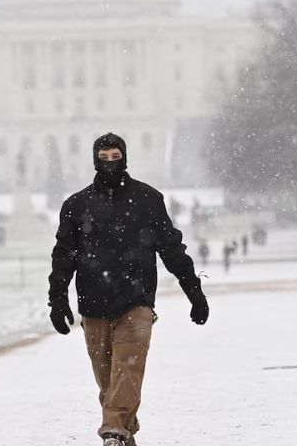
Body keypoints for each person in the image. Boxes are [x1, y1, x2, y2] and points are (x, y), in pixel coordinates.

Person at [48, 133, 209, 446]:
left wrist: (194, 292)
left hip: (136, 301)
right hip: (93, 302)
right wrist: (57, 299)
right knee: (109, 379)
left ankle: (113, 432)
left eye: (115, 156)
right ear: (96, 160)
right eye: (104, 157)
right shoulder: (77, 205)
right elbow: (63, 255)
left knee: (128, 370)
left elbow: (172, 249)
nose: (110, 163)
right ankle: (124, 429)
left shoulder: (148, 199)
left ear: (124, 157)